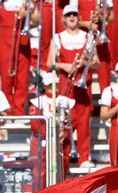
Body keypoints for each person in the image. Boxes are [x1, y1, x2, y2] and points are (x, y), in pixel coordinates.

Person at [51, 6, 95, 167]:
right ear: (63, 18)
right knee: (65, 124)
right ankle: (65, 159)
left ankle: (84, 158)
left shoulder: (87, 37)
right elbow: (50, 63)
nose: (71, 17)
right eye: (68, 15)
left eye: (74, 15)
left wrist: (84, 62)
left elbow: (95, 62)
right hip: (65, 87)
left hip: (83, 87)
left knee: (84, 123)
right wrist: (65, 66)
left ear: (78, 17)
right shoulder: (57, 38)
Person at [0, 0, 32, 112]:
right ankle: (7, 110)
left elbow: (38, 20)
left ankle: (20, 110)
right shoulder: (2, 3)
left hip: (22, 42)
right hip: (5, 42)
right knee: (6, 79)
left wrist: (28, 13)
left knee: (22, 79)